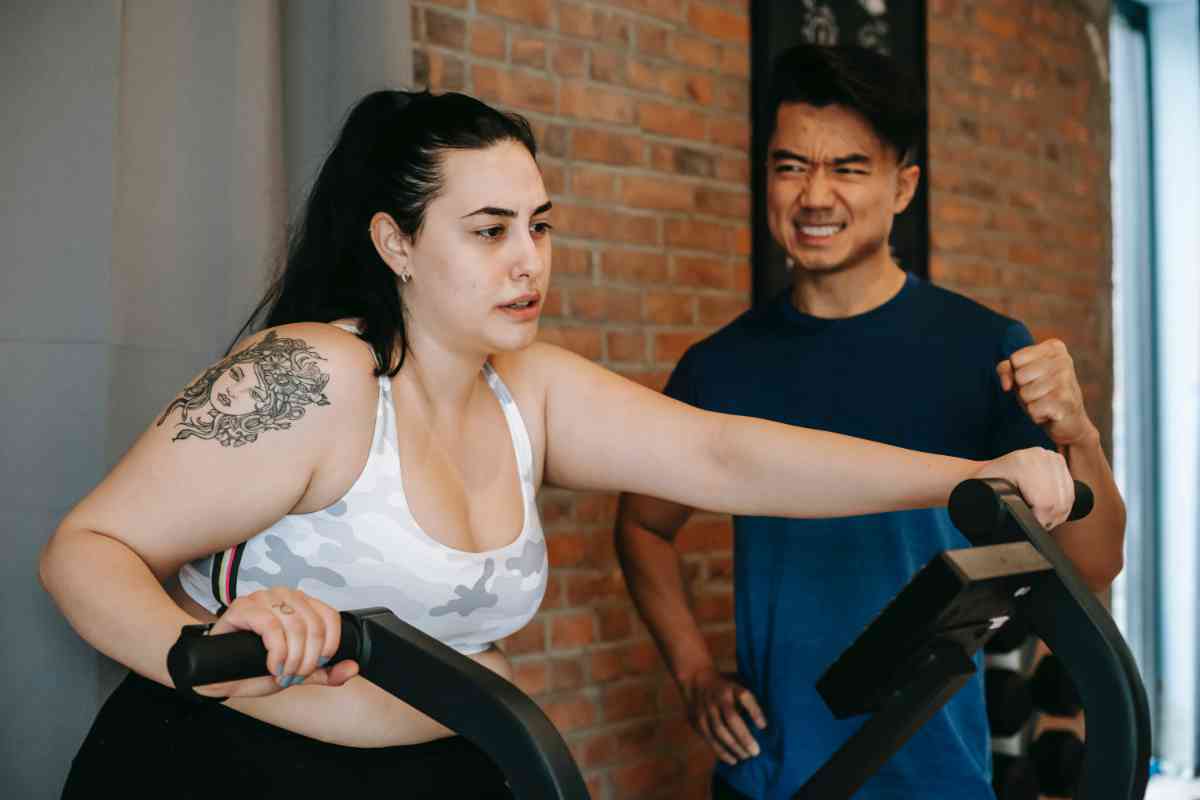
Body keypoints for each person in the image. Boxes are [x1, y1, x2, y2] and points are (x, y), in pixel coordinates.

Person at [40, 89, 1078, 799]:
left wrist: (969, 477)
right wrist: (202, 643)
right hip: (221, 769)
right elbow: (82, 550)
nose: (528, 260)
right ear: (395, 242)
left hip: (450, 770)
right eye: (488, 230)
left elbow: (727, 458)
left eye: (540, 225)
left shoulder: (524, 388)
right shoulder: (312, 375)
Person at [613, 44, 1127, 800]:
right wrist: (694, 671)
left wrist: (1078, 433)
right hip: (777, 775)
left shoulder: (982, 349)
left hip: (936, 773)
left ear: (903, 186)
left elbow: (1093, 563)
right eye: (790, 166)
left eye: (848, 168)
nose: (814, 195)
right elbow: (642, 527)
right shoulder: (721, 366)